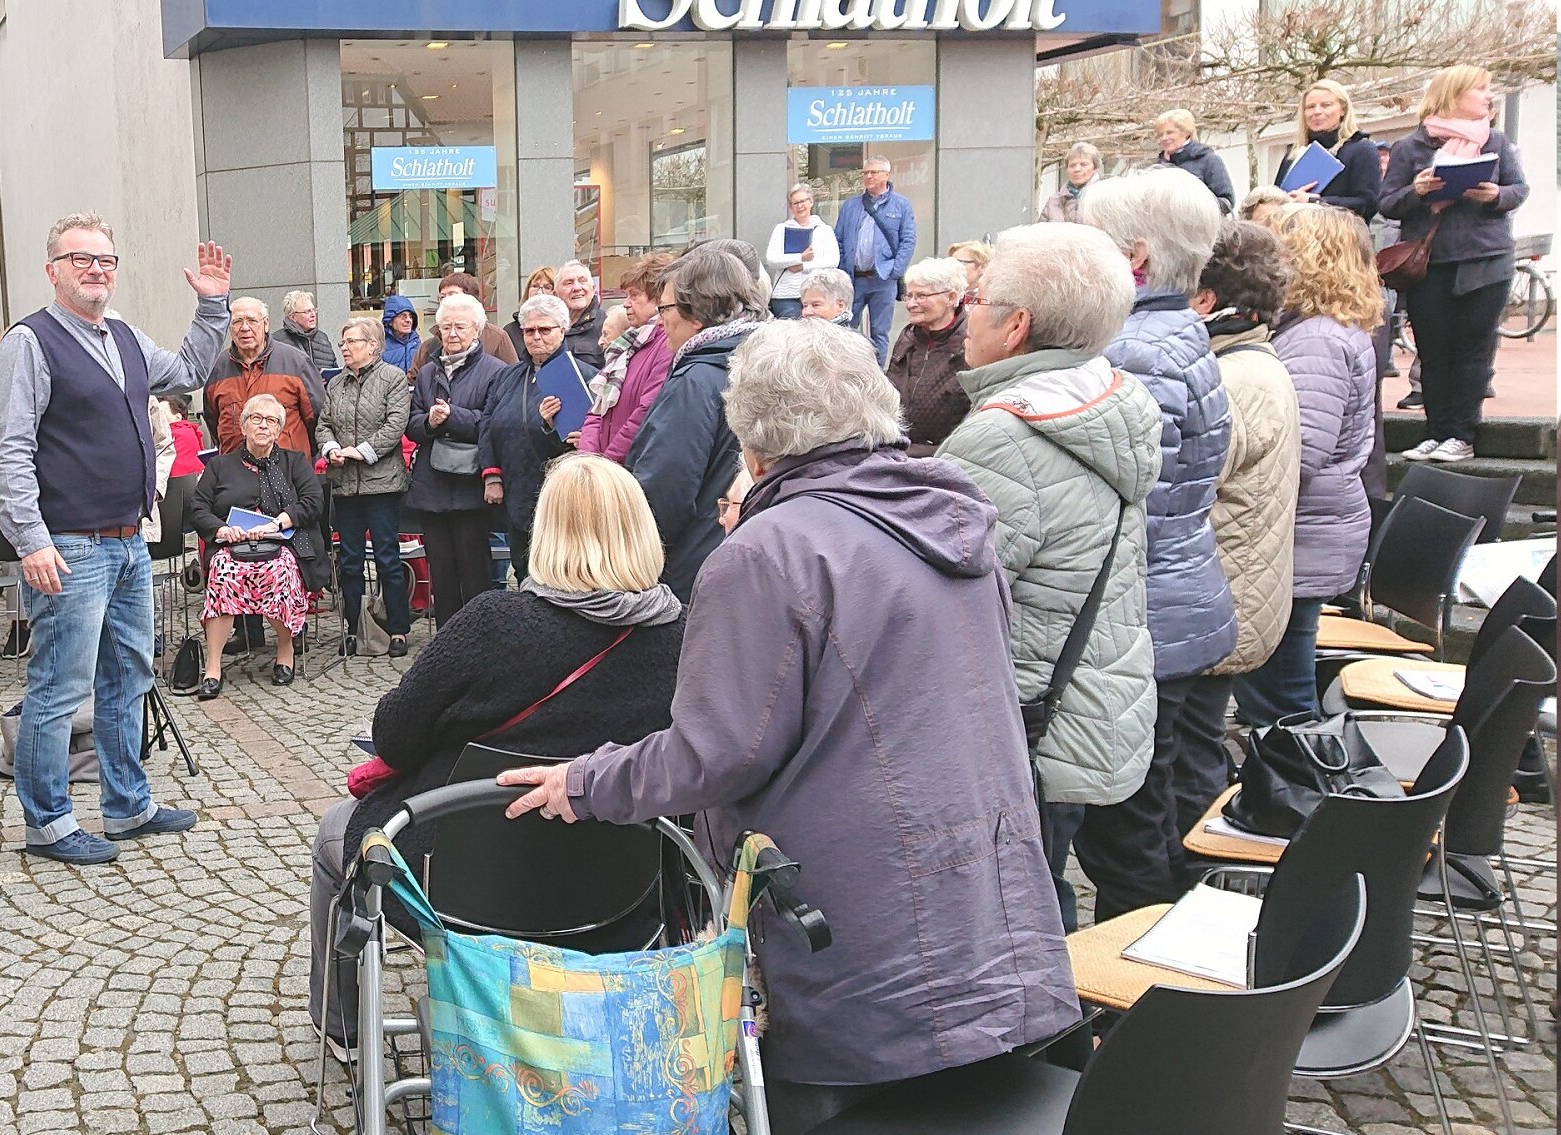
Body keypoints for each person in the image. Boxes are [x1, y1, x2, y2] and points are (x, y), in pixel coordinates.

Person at [501, 321, 1080, 1133]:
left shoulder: (770, 550)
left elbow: (717, 750)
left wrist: (585, 779)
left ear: (753, 439)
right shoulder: (954, 513)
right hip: (987, 917)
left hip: (856, 942)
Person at [307, 456, 685, 1050]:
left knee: (337, 831)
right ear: (643, 530)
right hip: (623, 890)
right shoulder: (679, 640)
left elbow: (396, 735)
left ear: (544, 532)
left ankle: (344, 1030)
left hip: (463, 888)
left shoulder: (494, 622)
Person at [939, 222, 1159, 935]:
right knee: (1047, 885)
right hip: (1090, 694)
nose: (966, 310)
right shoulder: (1108, 394)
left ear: (1016, 326)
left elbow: (944, 590)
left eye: (977, 296)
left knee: (1022, 913)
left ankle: (1054, 1043)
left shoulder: (1006, 433)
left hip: (1033, 714)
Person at [0, 212, 224, 865]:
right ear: (53, 269)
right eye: (81, 258)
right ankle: (50, 821)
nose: (96, 269)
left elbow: (185, 372)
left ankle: (127, 805)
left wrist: (211, 306)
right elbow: (8, 452)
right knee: (60, 687)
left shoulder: (121, 337)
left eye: (106, 260)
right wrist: (31, 538)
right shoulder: (29, 343)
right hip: (69, 544)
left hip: (126, 541)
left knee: (128, 676)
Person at [1072, 168, 1239, 923]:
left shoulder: (1134, 350)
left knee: (1129, 830)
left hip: (1151, 617)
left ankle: (1148, 1002)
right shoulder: (1172, 331)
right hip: (1179, 600)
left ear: (1134, 256)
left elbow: (1121, 489)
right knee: (1158, 806)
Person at [1232, 204, 1381, 726]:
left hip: (1305, 536)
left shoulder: (1318, 337)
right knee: (1278, 690)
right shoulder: (1315, 330)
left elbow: (1303, 450)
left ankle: (1303, 797)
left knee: (1281, 700)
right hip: (1308, 531)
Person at [1176, 221, 1301, 840]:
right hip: (1230, 588)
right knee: (1192, 744)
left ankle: (1194, 881)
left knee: (1190, 754)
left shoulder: (1238, 378)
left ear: (1205, 300)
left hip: (1224, 595)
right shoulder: (1245, 362)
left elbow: (1188, 480)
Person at [1380, 64, 1530, 464]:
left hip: (1486, 259)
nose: (1487, 96)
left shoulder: (1495, 140)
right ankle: (1436, 431)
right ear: (1453, 94)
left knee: (1472, 351)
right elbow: (1387, 202)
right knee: (1434, 351)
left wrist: (1494, 194)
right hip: (1431, 263)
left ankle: (1461, 434)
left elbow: (1519, 189)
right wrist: (1417, 190)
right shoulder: (1410, 147)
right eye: (1479, 89)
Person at [624, 244, 767, 599]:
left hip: (691, 569)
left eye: (666, 308)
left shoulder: (696, 379)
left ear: (697, 313)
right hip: (741, 557)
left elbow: (665, 487)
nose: (661, 319)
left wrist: (629, 559)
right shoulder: (763, 362)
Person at [187, 392, 330, 694]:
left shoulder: (295, 462)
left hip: (283, 546)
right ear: (243, 426)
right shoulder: (220, 466)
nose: (263, 426)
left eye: (271, 421)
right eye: (256, 419)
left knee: (283, 571)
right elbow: (198, 507)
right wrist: (222, 530)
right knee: (222, 572)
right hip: (232, 548)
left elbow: (314, 501)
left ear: (279, 430)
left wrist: (280, 520)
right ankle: (212, 666)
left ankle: (285, 653)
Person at [406, 293, 510, 624]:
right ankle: (446, 640)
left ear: (477, 329)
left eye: (459, 327)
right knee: (442, 571)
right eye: (445, 327)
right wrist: (429, 422)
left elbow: (492, 423)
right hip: (432, 482)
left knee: (474, 568)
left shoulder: (495, 370)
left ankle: (478, 637)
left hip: (470, 482)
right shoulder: (427, 372)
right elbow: (412, 425)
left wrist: (453, 416)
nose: (451, 334)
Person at [318, 317, 413, 657]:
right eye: (342, 342)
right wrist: (331, 449)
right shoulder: (337, 384)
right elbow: (324, 424)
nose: (344, 347)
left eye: (351, 341)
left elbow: (395, 424)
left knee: (387, 558)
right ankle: (354, 627)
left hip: (382, 485)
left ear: (372, 346)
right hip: (345, 486)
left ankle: (397, 628)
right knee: (350, 560)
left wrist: (360, 452)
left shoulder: (393, 378)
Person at [480, 293, 593, 579]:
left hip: (560, 494)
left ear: (562, 330)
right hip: (516, 491)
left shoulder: (584, 377)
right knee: (523, 572)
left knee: (559, 573)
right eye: (529, 331)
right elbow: (487, 424)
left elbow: (584, 444)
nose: (536, 337)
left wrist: (548, 425)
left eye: (545, 330)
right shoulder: (507, 377)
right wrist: (492, 475)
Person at [577, 251, 675, 463]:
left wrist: (607, 464)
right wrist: (588, 459)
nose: (626, 304)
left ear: (658, 298)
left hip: (627, 470)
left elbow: (644, 413)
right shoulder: (627, 345)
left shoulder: (667, 345)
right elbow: (597, 410)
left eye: (634, 295)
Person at [204, 294, 323, 455]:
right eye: (237, 321)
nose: (245, 328)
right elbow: (213, 421)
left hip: (287, 471)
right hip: (236, 472)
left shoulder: (296, 363)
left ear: (266, 324)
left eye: (252, 321)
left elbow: (316, 418)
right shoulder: (218, 368)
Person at [829, 154, 918, 362]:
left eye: (873, 172)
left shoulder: (901, 205)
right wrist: (843, 268)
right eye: (865, 173)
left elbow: (908, 240)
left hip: (883, 279)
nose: (868, 176)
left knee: (879, 332)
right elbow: (838, 238)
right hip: (854, 279)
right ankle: (847, 370)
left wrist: (895, 271)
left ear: (886, 175)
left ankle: (877, 376)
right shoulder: (852, 206)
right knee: (845, 328)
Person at [883, 257, 972, 455]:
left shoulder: (970, 341)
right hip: (900, 449)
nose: (911, 304)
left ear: (951, 297)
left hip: (948, 455)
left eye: (922, 296)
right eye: (909, 296)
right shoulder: (908, 337)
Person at [1274, 78, 1383, 220]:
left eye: (1326, 105)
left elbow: (1368, 204)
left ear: (1343, 109)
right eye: (1310, 107)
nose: (1317, 111)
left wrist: (1315, 202)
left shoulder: (1361, 149)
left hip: (1342, 236)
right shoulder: (1294, 154)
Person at [763, 182, 840, 317]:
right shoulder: (781, 229)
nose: (800, 206)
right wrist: (799, 257)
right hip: (786, 296)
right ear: (791, 207)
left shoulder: (824, 229)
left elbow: (832, 260)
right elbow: (772, 259)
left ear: (811, 202)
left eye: (803, 201)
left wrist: (803, 266)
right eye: (795, 203)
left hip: (816, 293)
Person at [414, 270, 518, 367]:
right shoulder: (428, 346)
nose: (446, 301)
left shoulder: (496, 338)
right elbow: (414, 381)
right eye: (442, 297)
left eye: (452, 295)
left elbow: (513, 377)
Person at [1153, 108, 1235, 214]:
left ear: (1186, 132)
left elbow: (1227, 202)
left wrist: (1193, 207)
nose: (1164, 138)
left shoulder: (1209, 160)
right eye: (1160, 134)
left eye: (1169, 132)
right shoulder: (1157, 168)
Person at [547, 259, 607, 368]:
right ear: (555, 294)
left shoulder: (606, 325)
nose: (577, 288)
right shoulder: (545, 327)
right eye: (568, 283)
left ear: (593, 289)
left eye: (582, 281)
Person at [1039, 142, 1101, 222]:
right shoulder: (1054, 201)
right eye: (1072, 165)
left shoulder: (1105, 199)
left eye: (1083, 164)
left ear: (1095, 168)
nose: (1077, 169)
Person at [278, 289, 339, 371]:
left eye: (314, 310)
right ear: (292, 317)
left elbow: (334, 371)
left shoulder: (323, 338)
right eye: (307, 311)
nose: (313, 315)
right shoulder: (278, 341)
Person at [379, 291, 420, 372]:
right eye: (403, 316)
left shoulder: (417, 343)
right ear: (390, 321)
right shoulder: (381, 347)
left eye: (410, 316)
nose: (408, 320)